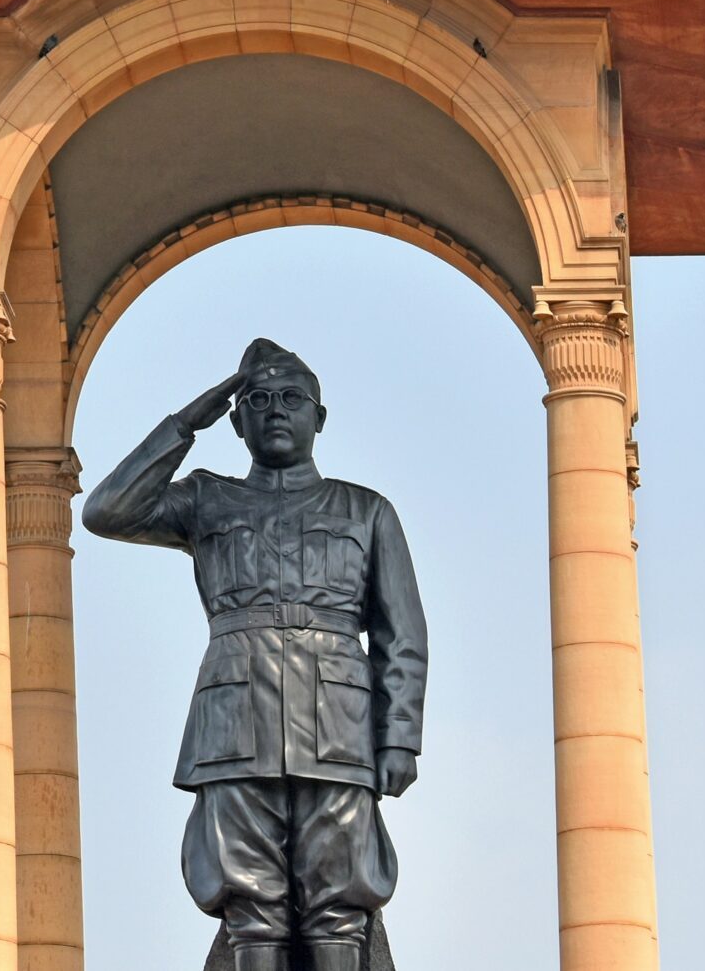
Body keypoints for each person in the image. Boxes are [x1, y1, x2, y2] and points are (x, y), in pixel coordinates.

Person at [81, 339, 427, 971]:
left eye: (292, 399)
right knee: (250, 904)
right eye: (257, 400)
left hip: (340, 730)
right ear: (236, 420)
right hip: (233, 723)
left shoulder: (365, 510)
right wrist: (191, 420)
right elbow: (107, 511)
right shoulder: (205, 500)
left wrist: (399, 738)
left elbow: (401, 634)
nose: (275, 411)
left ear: (319, 417)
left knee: (340, 901)